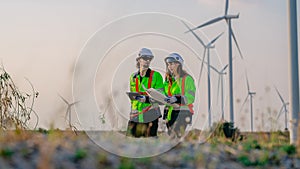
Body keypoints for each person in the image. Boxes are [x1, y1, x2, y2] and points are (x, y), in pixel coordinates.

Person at [127, 48, 164, 137]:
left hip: (150, 115)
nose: (147, 61)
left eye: (149, 59)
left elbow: (161, 98)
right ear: (139, 59)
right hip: (135, 115)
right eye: (145, 58)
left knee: (150, 143)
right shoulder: (133, 77)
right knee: (129, 142)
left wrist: (146, 99)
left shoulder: (156, 76)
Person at [163, 53, 196, 138]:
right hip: (169, 113)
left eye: (171, 64)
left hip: (182, 113)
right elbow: (164, 94)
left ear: (179, 64)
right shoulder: (168, 81)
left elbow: (191, 97)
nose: (169, 66)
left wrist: (177, 98)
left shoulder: (187, 79)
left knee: (177, 136)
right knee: (172, 138)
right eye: (168, 64)